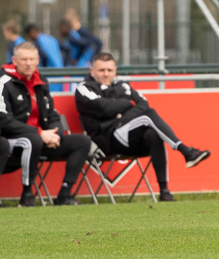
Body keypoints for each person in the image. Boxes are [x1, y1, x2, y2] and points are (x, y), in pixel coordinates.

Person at [74, 52, 210, 202]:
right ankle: (185, 151)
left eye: (109, 70)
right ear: (92, 71)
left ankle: (164, 191)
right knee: (148, 115)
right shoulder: (84, 88)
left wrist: (121, 116)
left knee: (153, 134)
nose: (106, 74)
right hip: (107, 141)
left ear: (115, 71)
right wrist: (126, 104)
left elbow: (143, 103)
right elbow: (103, 107)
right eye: (101, 70)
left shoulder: (122, 85)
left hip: (128, 139)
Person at [1, 42, 98, 206]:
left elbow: (52, 114)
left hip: (42, 138)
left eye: (31, 59)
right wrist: (39, 133)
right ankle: (27, 197)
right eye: (23, 59)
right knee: (33, 141)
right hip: (12, 139)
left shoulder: (41, 81)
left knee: (82, 142)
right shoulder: (4, 81)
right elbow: (3, 120)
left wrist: (56, 134)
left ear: (38, 60)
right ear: (14, 60)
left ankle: (64, 196)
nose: (28, 63)